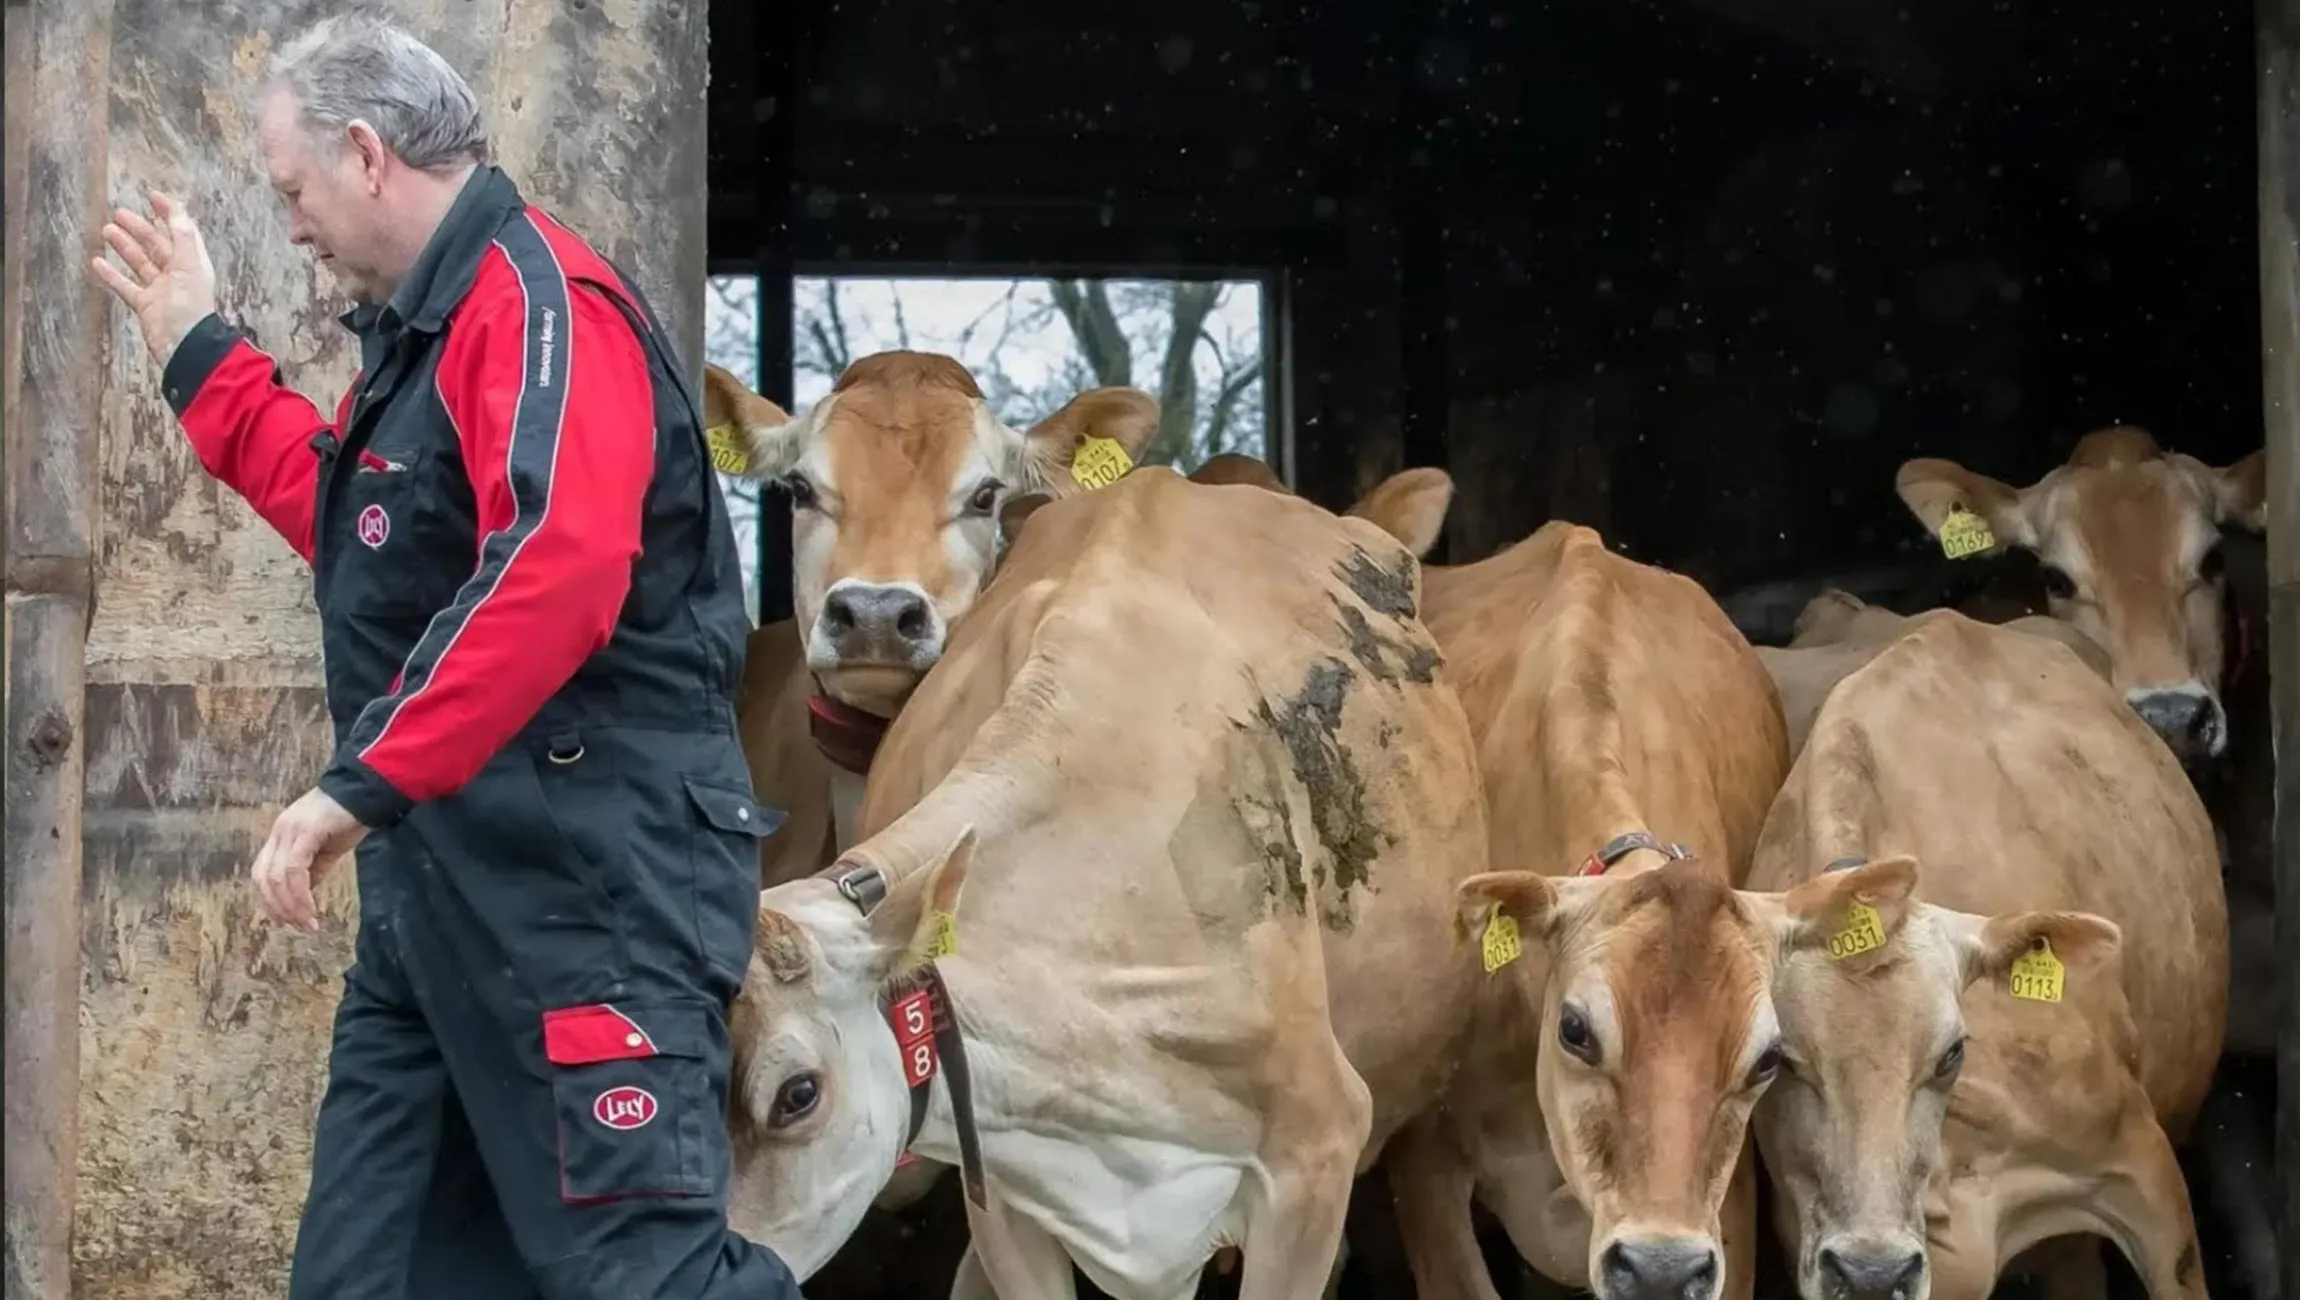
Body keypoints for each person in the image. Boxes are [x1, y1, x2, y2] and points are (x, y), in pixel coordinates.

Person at [88, 14, 805, 1299]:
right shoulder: (439, 328)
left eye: (294, 191)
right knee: (365, 1278)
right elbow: (370, 533)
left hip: (589, 892)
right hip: (441, 909)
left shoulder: (545, 310)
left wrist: (357, 784)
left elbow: (556, 567)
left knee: (641, 1277)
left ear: (366, 153)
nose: (291, 226)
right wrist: (201, 351)